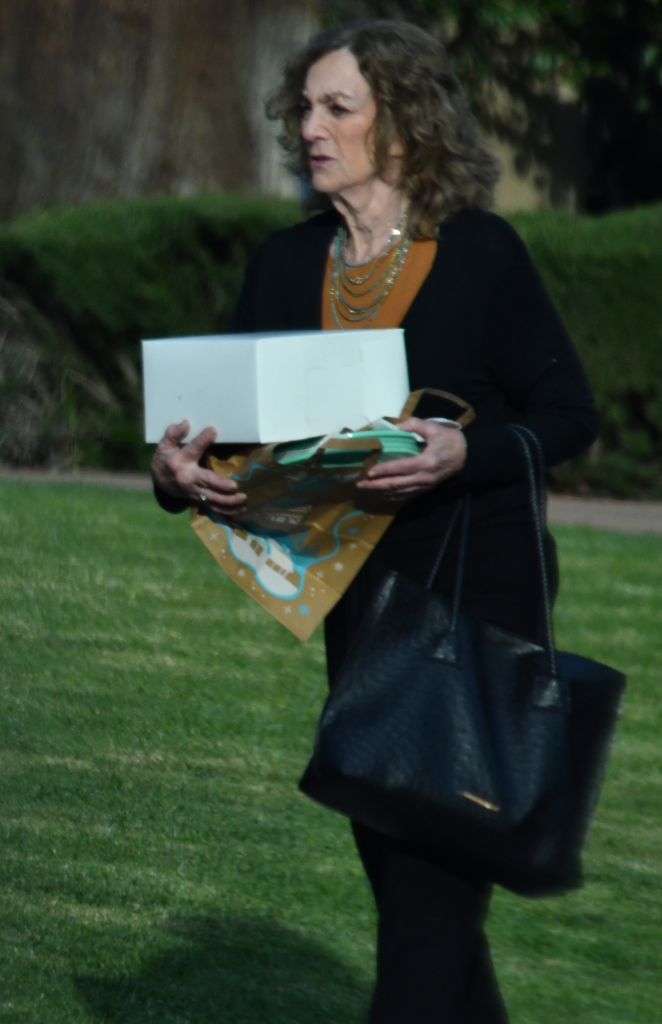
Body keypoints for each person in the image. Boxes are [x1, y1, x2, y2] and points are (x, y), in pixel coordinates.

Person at [151, 19, 598, 1024]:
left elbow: (568, 414)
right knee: (416, 902)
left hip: (473, 608)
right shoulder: (283, 263)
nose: (307, 127)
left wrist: (463, 452)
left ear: (399, 125)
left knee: (425, 915)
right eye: (303, 108)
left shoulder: (480, 253)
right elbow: (222, 438)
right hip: (358, 618)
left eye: (335, 108)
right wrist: (177, 472)